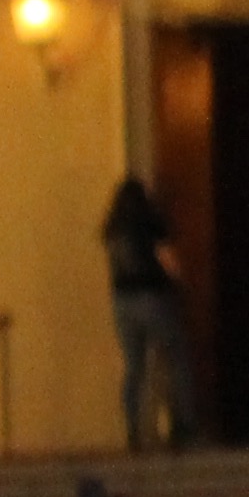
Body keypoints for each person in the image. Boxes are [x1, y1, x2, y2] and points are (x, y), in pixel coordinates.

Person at [101, 177, 201, 450]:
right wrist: (182, 285)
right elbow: (168, 261)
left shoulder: (112, 229)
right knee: (176, 357)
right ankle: (184, 423)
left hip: (122, 302)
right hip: (152, 297)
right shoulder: (151, 222)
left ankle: (133, 428)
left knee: (134, 366)